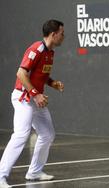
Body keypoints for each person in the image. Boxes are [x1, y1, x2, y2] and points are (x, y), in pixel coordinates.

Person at [0, 19, 65, 187]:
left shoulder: (50, 53)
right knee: (21, 134)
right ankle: (0, 176)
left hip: (35, 98)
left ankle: (34, 172)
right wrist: (36, 95)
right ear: (53, 34)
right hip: (24, 97)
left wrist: (52, 83)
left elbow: (40, 75)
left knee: (47, 134)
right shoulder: (36, 49)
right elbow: (21, 74)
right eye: (61, 33)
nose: (63, 36)